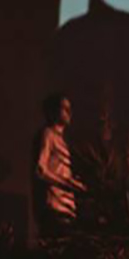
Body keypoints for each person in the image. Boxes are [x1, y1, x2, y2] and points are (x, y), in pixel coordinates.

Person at [32, 94, 86, 238]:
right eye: (64, 108)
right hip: (54, 207)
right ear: (53, 111)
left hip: (66, 208)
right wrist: (68, 184)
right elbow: (40, 171)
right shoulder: (48, 134)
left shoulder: (61, 140)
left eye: (69, 108)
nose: (69, 112)